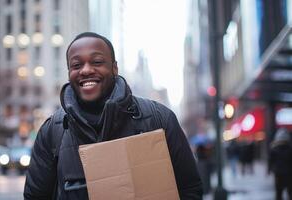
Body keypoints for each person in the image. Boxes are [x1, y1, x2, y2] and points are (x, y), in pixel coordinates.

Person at [24, 32, 203, 200]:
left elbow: (189, 189)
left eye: (97, 62)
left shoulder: (159, 119)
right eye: (76, 65)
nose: (86, 70)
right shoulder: (52, 131)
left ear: (114, 68)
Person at [268, 128, 292, 200]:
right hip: (289, 173)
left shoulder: (274, 148)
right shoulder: (290, 148)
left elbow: (270, 161)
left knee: (279, 192)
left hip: (278, 173)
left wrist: (269, 170)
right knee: (290, 191)